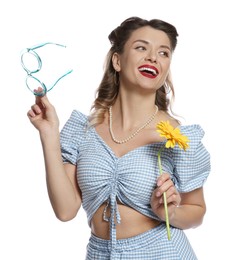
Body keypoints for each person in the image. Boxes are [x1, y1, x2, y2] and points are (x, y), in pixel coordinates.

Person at [27, 16, 211, 260]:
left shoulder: (176, 137)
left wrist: (171, 214)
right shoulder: (84, 130)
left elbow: (197, 210)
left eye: (164, 53)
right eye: (141, 47)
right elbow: (65, 210)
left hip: (163, 252)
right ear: (117, 60)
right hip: (100, 253)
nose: (153, 57)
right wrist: (49, 134)